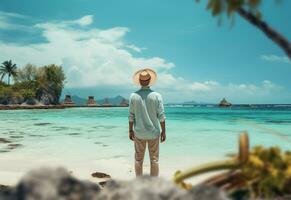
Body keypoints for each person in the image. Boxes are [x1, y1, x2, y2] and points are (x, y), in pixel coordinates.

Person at [128, 68, 166, 177]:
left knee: (138, 159)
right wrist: (164, 131)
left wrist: (130, 130)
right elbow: (161, 116)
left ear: (140, 81)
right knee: (154, 160)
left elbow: (131, 116)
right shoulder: (157, 96)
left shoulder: (133, 96)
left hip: (139, 133)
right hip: (153, 133)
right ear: (149, 81)